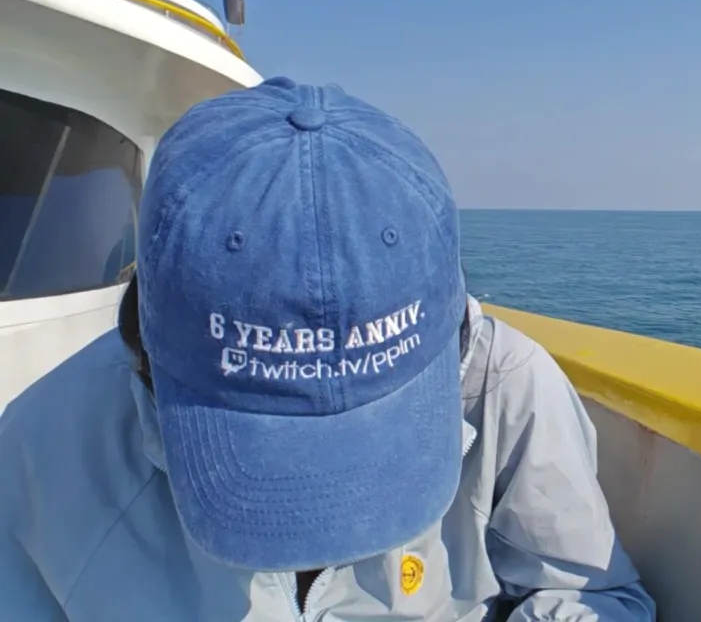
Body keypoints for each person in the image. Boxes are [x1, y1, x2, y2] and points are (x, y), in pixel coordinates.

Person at [0, 78, 657, 622]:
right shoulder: (39, 453)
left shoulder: (508, 387)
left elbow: (591, 595)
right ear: (147, 348)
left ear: (453, 333)